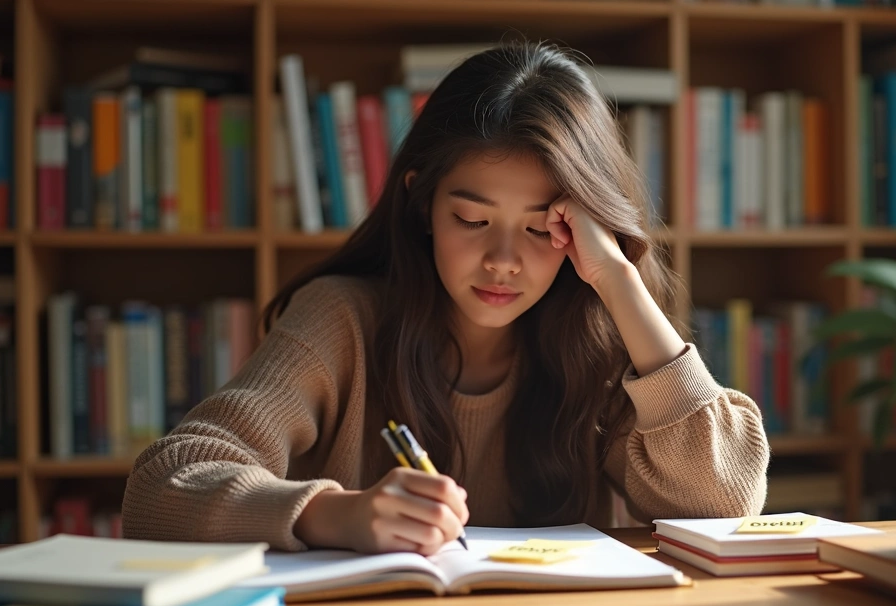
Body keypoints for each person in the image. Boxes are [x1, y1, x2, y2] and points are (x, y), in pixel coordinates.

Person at [123, 41, 768, 556]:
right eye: (472, 219)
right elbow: (162, 487)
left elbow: (724, 502)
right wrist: (334, 513)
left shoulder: (599, 347)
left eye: (545, 228)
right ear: (422, 202)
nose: (503, 261)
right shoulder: (341, 318)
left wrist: (620, 281)